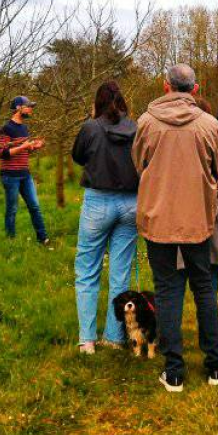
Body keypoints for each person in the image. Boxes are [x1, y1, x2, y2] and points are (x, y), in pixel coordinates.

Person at [132, 64, 218, 392]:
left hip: (158, 217)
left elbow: (139, 163)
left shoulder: (146, 123)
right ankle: (215, 365)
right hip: (197, 218)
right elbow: (215, 166)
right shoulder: (209, 124)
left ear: (165, 86)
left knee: (168, 290)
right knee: (204, 288)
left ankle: (175, 370)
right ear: (195, 90)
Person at [71, 81, 140, 354]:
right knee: (120, 272)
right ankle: (114, 337)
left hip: (98, 200)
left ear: (97, 102)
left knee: (87, 269)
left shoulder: (91, 127)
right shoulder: (136, 128)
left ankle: (87, 339)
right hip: (131, 203)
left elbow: (78, 156)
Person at [179, 97, 218, 296]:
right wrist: (213, 210)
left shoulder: (176, 147)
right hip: (213, 222)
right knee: (209, 285)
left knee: (176, 285)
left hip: (182, 222)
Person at [0, 96, 50, 246]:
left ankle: (43, 238)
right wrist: (23, 147)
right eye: (29, 106)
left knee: (35, 206)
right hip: (10, 176)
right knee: (12, 209)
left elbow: (24, 151)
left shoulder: (24, 128)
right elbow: (2, 153)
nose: (31, 109)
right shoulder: (5, 129)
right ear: (18, 107)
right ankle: (10, 242)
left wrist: (34, 147)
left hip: (25, 174)